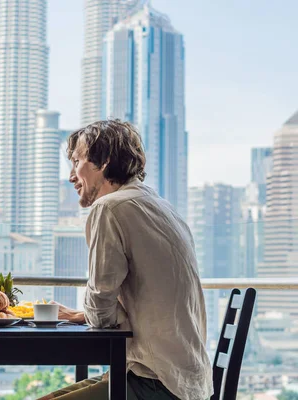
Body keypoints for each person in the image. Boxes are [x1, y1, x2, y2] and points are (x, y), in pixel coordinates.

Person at [41, 120, 213, 400]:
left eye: (77, 162)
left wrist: (91, 314)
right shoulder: (158, 205)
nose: (71, 176)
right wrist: (80, 315)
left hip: (154, 382)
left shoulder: (110, 208)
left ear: (104, 162)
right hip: (186, 380)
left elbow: (100, 313)